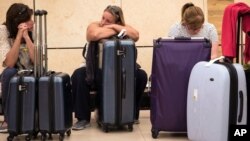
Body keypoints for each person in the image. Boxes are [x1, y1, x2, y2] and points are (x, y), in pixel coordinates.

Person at [71, 5, 147, 130]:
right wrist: (117, 29)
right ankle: (83, 118)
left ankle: (131, 114)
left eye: (108, 21)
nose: (103, 22)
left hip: (118, 71)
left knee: (141, 76)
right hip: (95, 70)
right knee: (78, 75)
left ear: (117, 21)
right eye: (103, 18)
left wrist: (114, 27)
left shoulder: (122, 27)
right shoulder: (94, 25)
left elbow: (136, 35)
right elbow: (94, 35)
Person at [0, 3, 34, 133]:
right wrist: (19, 37)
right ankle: (9, 120)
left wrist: (27, 37)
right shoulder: (3, 31)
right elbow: (9, 63)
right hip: (14, 72)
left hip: (31, 71)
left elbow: (37, 61)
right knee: (9, 73)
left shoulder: (33, 30)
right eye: (28, 20)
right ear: (18, 23)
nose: (32, 22)